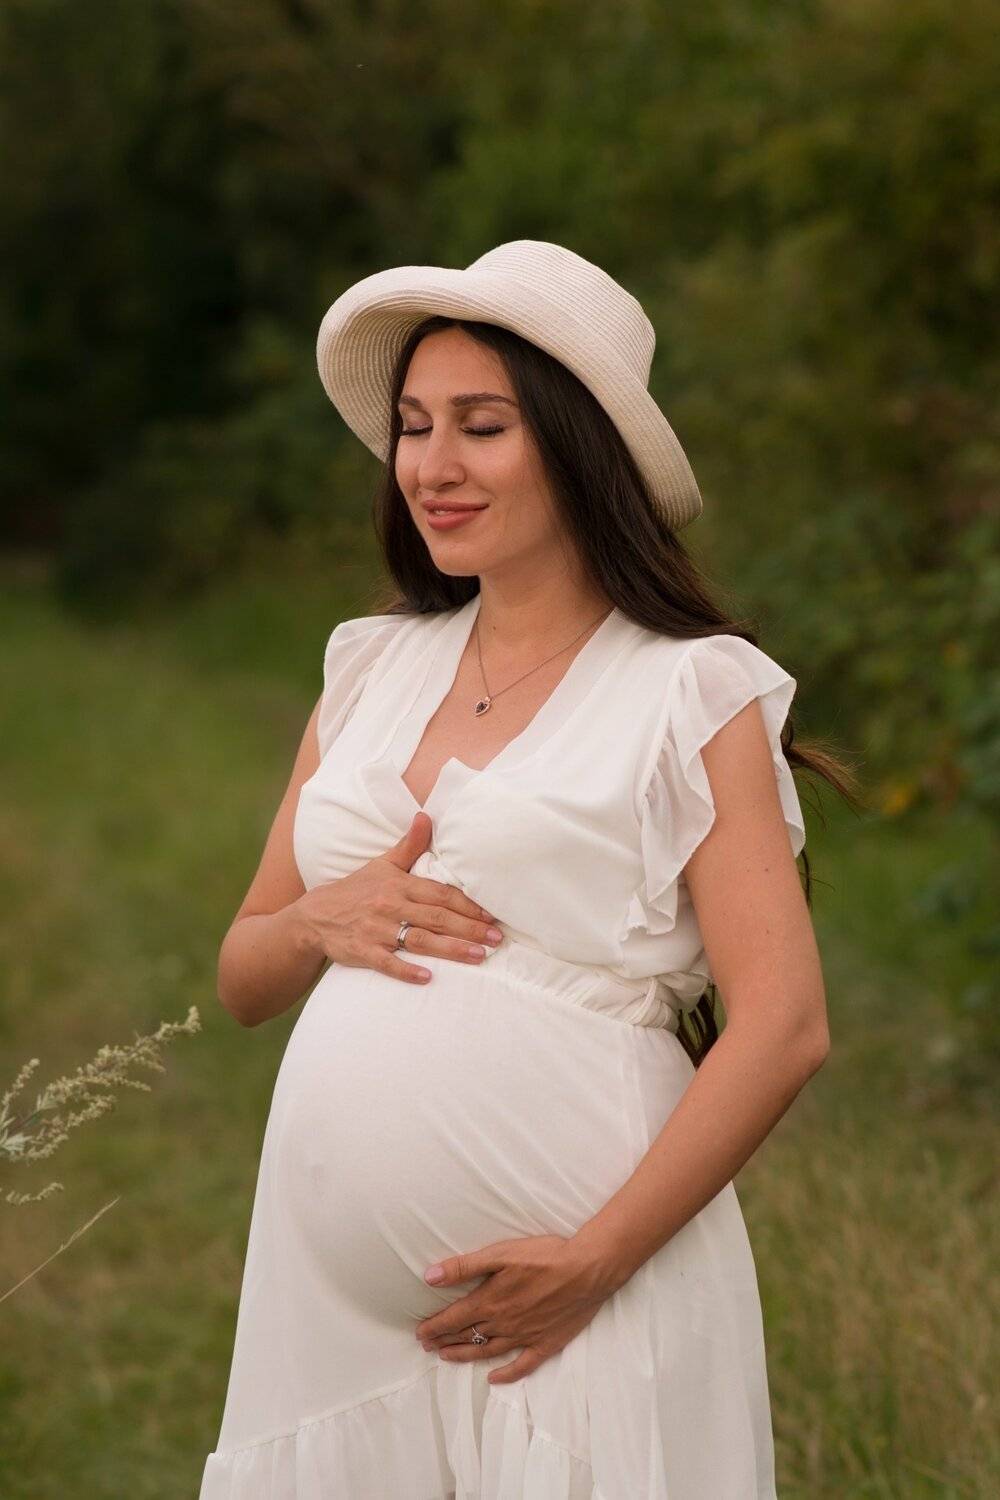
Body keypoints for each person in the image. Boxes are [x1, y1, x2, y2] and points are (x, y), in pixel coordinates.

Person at [199, 240, 855, 1499]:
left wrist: (596, 1258)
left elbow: (784, 1026)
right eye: (413, 427)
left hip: (583, 1298)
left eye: (482, 427)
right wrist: (321, 919)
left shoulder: (689, 689)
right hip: (330, 1324)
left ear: (577, 447)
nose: (431, 466)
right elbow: (242, 977)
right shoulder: (368, 669)